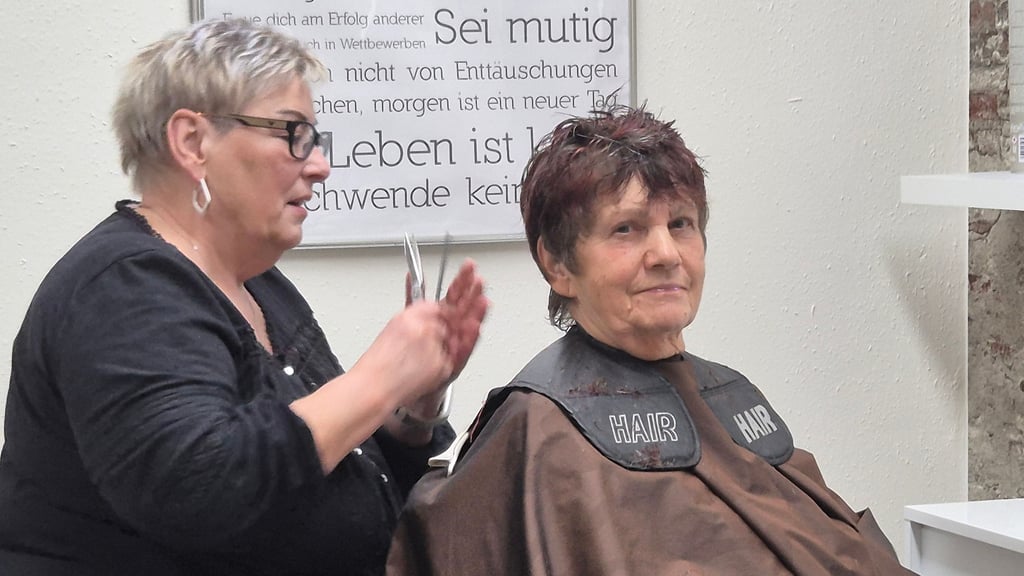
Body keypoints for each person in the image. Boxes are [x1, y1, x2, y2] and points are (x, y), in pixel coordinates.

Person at [0, 18, 487, 576]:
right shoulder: (124, 289)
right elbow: (201, 491)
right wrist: (375, 381)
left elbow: (332, 460)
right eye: (291, 133)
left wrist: (409, 410)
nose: (320, 165)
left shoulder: (257, 286)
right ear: (192, 143)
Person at [385, 106, 913, 575]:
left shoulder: (728, 395)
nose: (666, 254)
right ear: (558, 264)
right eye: (627, 230)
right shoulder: (537, 430)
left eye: (681, 224)